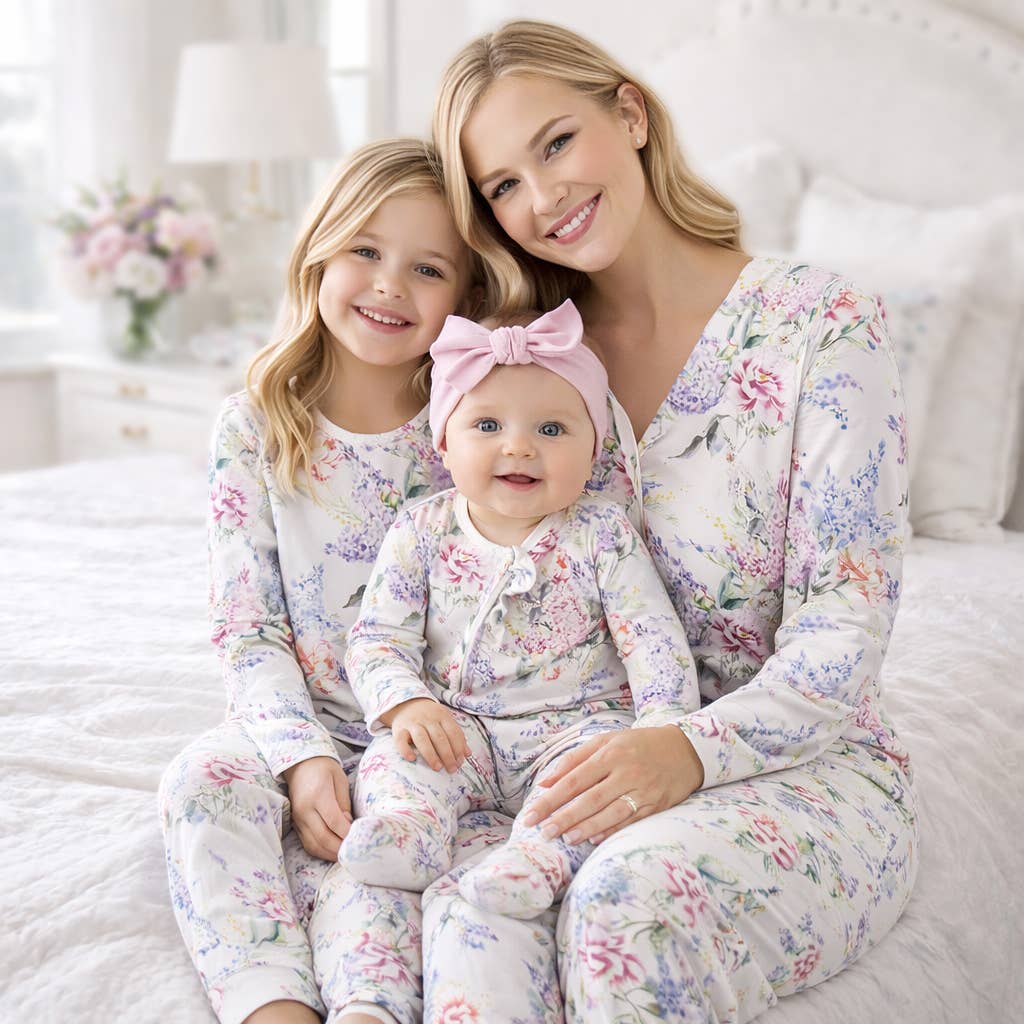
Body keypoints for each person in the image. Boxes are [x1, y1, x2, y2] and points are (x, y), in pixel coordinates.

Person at [418, 19, 919, 1022]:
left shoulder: (825, 327)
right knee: (446, 909)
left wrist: (685, 751)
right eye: (503, 184)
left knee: (625, 906)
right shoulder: (515, 356)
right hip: (559, 764)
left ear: (631, 115)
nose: (542, 198)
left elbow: (844, 629)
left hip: (803, 765)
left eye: (557, 143)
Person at [158, 138, 491, 1024]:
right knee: (201, 786)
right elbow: (248, 627)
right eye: (366, 251)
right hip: (295, 719)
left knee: (378, 868)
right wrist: (303, 760)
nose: (389, 286)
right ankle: (272, 1003)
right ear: (319, 252)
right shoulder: (255, 426)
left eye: (428, 268)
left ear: (464, 295)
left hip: (425, 735)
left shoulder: (477, 424)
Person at [340, 300, 700, 919]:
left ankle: (539, 858)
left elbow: (652, 640)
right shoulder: (422, 530)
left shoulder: (602, 534)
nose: (519, 447)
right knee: (395, 760)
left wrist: (663, 729)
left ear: (593, 452)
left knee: (594, 787)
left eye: (552, 430)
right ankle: (411, 831)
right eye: (486, 425)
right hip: (458, 728)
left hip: (575, 727)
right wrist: (406, 702)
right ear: (444, 443)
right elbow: (377, 638)